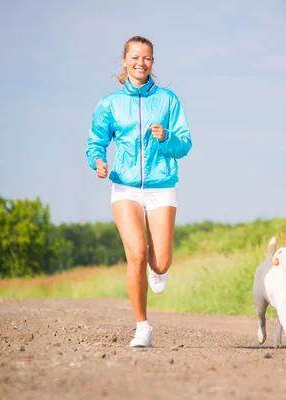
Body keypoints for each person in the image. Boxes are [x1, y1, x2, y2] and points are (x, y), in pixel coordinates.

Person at [85, 36, 192, 348]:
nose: (140, 63)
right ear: (124, 61)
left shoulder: (169, 100)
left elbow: (184, 144)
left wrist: (166, 137)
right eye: (134, 57)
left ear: (152, 63)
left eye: (146, 58)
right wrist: (98, 161)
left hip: (161, 186)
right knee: (136, 253)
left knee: (160, 263)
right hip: (125, 187)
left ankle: (157, 271)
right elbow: (95, 141)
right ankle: (142, 327)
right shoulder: (110, 103)